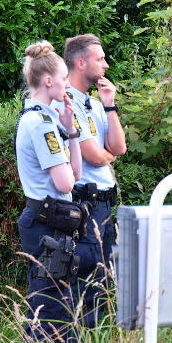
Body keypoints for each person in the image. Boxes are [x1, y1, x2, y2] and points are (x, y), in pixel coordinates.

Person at [15, 40, 85, 343]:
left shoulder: (48, 119)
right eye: (63, 79)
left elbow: (78, 173)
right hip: (47, 225)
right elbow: (66, 183)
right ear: (48, 82)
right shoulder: (40, 123)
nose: (67, 84)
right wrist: (68, 168)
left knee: (54, 305)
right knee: (51, 308)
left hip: (49, 223)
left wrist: (71, 129)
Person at [59, 34, 127, 328]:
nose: (106, 64)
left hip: (104, 203)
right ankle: (78, 342)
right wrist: (105, 155)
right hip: (84, 202)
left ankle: (94, 339)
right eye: (100, 59)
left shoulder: (96, 103)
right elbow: (95, 156)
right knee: (87, 273)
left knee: (103, 274)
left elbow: (119, 148)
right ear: (80, 61)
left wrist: (110, 105)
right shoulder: (65, 101)